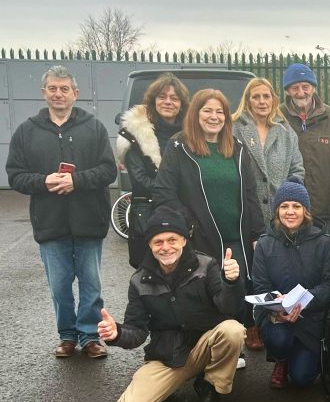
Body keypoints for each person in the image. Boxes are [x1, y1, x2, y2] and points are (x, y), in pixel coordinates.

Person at [6, 65, 116, 358]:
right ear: (44, 93)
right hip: (50, 223)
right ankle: (67, 336)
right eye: (53, 88)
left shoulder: (94, 128)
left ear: (75, 94)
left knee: (91, 284)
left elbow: (108, 171)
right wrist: (43, 181)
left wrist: (75, 181)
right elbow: (15, 175)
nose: (58, 94)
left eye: (64, 89)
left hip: (89, 221)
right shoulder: (27, 131)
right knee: (60, 287)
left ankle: (90, 337)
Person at [99, 208, 246, 402]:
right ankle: (165, 387)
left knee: (232, 330)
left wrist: (231, 282)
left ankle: (211, 385)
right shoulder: (139, 281)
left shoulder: (206, 265)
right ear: (149, 244)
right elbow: (137, 332)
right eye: (158, 242)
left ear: (184, 240)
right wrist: (116, 333)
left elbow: (229, 308)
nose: (166, 247)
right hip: (168, 357)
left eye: (172, 239)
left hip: (205, 347)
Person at [152, 89, 265, 368]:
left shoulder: (236, 148)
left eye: (219, 112)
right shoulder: (179, 147)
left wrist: (256, 234)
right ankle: (204, 350)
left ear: (226, 118)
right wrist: (189, 226)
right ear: (195, 114)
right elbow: (164, 193)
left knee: (235, 290)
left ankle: (230, 350)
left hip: (235, 238)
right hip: (199, 237)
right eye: (207, 111)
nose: (214, 117)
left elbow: (250, 193)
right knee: (204, 293)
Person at [252, 179, 330, 388]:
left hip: (310, 317)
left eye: (296, 206)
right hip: (277, 318)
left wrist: (306, 300)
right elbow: (260, 287)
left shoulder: (322, 241)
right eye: (284, 206)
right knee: (279, 339)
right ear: (277, 211)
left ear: (305, 210)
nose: (290, 212)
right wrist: (277, 311)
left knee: (303, 379)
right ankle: (280, 359)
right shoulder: (265, 244)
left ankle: (307, 358)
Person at [117, 72, 190, 268]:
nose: (168, 102)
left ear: (182, 103)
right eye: (162, 97)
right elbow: (140, 179)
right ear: (153, 100)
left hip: (184, 215)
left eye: (174, 98)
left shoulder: (191, 134)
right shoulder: (136, 133)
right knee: (149, 276)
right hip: (149, 214)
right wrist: (173, 193)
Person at [279, 63, 330, 234]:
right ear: (287, 90)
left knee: (320, 258)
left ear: (314, 88)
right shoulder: (277, 117)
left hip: (322, 209)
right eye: (295, 87)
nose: (301, 92)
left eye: (305, 86)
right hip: (287, 210)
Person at [232, 77, 305, 223]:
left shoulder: (286, 132)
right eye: (256, 97)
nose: (262, 102)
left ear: (273, 100)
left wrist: (286, 201)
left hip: (278, 216)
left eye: (266, 96)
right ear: (247, 101)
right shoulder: (234, 129)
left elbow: (297, 170)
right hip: (244, 214)